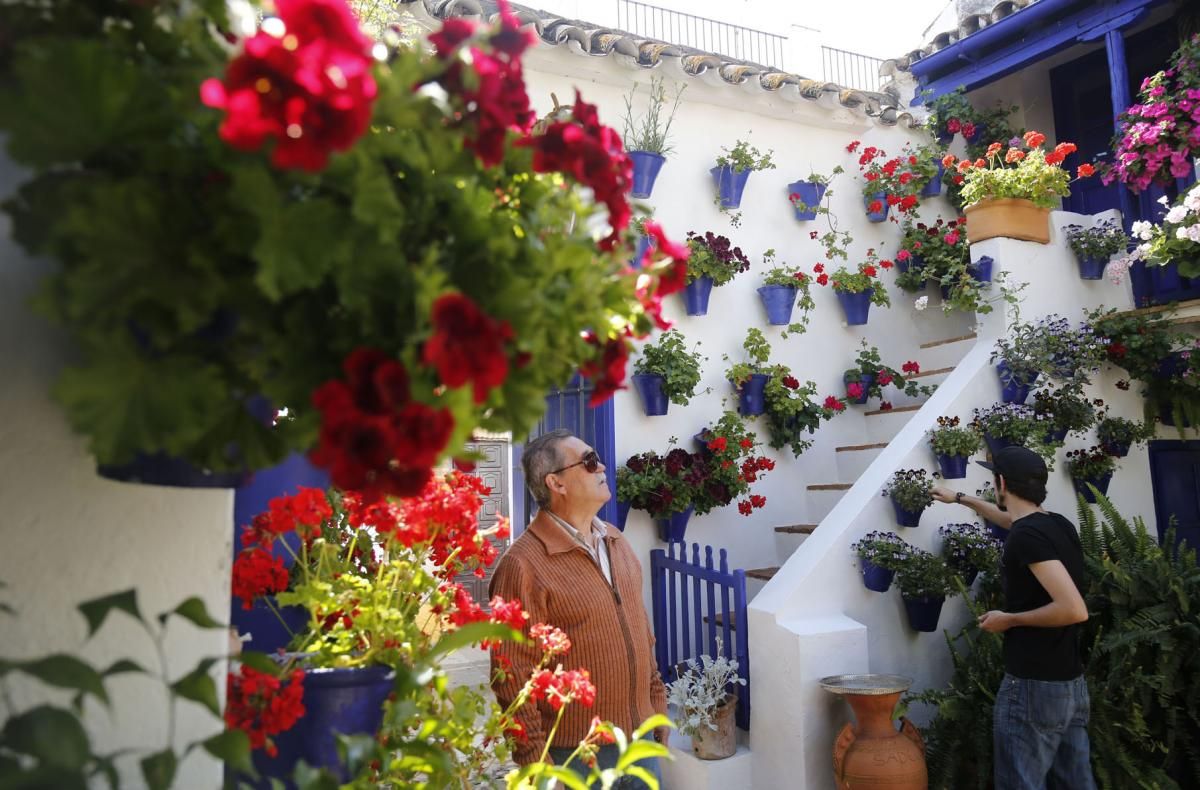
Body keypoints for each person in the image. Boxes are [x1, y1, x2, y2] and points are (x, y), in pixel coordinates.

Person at [489, 429, 667, 787]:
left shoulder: (616, 541)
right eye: (588, 461)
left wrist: (656, 706)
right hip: (574, 758)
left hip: (642, 744)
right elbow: (511, 675)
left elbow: (641, 631)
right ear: (556, 483)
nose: (601, 465)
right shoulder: (522, 565)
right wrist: (535, 763)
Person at [932, 445, 1095, 790]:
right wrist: (959, 498)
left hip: (1034, 688)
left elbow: (1072, 608)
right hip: (1070, 685)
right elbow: (1010, 520)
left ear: (1001, 482)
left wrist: (1010, 619)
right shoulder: (1056, 524)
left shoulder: (1027, 537)